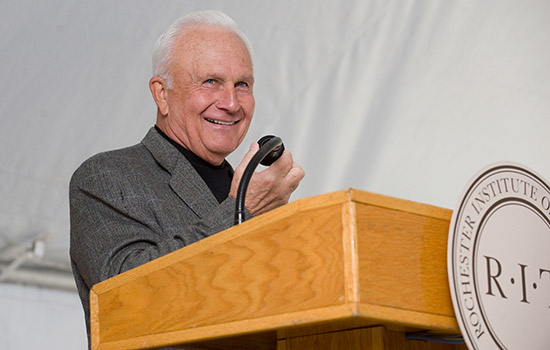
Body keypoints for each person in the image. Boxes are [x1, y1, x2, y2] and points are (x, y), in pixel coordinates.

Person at [69, 10, 304, 348]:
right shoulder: (105, 178)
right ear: (161, 94)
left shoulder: (258, 194)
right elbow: (128, 295)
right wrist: (240, 212)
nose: (231, 103)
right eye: (210, 82)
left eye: (243, 85)